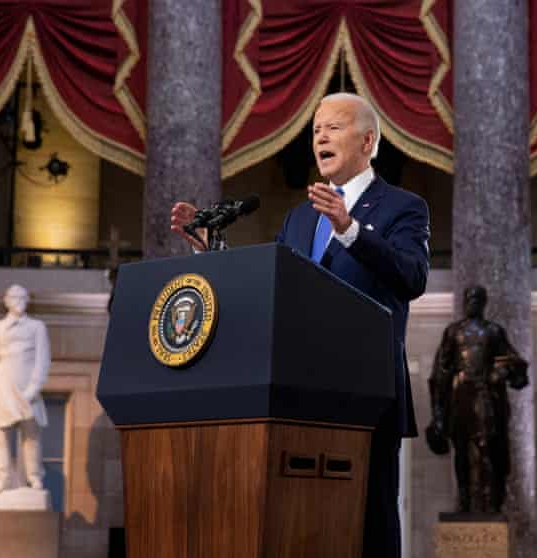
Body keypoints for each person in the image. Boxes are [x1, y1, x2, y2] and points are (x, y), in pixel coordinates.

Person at [170, 92, 430, 557]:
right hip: (299, 394)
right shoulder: (298, 218)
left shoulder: (403, 207)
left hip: (367, 393)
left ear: (367, 141)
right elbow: (272, 285)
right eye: (315, 130)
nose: (321, 137)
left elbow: (412, 276)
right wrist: (212, 250)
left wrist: (350, 230)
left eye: (334, 127)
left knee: (370, 524)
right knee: (303, 523)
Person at [426, 285, 528, 513]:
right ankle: (464, 502)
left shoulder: (493, 331)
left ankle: (490, 503)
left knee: (488, 449)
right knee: (461, 450)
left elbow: (514, 363)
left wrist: (503, 372)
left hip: (484, 396)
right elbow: (441, 372)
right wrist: (438, 415)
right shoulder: (453, 332)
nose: (472, 302)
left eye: (476, 298)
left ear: (483, 302)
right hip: (460, 396)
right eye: (469, 298)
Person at [0, 284, 51, 493]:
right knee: (0, 434)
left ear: (28, 300)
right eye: (14, 297)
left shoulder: (37, 327)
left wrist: (33, 388)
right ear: (6, 301)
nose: (19, 301)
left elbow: (42, 360)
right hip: (3, 384)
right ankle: (2, 479)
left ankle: (33, 477)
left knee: (31, 434)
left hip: (27, 386)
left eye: (23, 297)